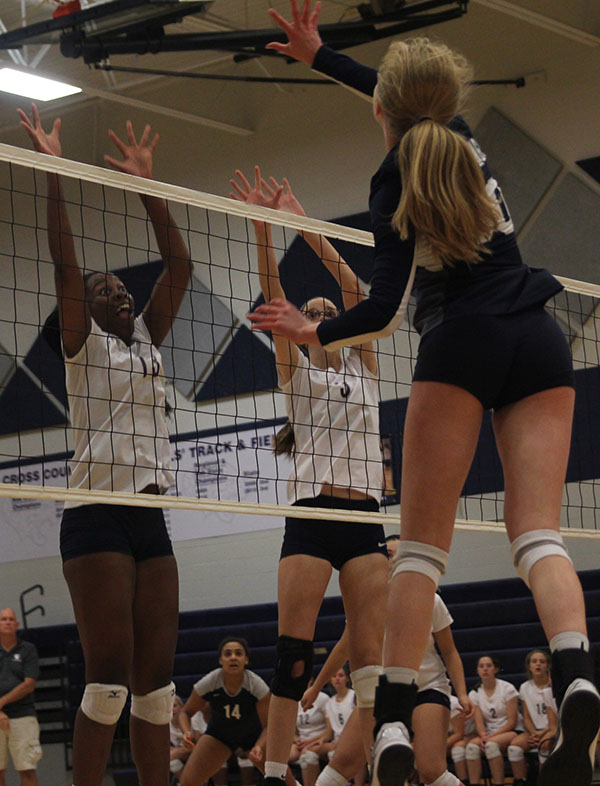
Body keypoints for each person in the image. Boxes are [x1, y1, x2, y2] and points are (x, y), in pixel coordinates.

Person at [251, 4, 600, 785]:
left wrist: (313, 336)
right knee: (540, 532)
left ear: (384, 111)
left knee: (420, 551)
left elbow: (379, 309)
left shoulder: (394, 171)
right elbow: (396, 95)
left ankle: (398, 725)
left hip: (463, 339)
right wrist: (324, 56)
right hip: (539, 334)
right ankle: (579, 671)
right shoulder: (461, 139)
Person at [19, 105, 192, 786]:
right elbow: (65, 264)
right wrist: (55, 171)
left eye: (119, 284)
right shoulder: (81, 345)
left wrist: (148, 184)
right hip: (94, 515)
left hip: (150, 514)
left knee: (156, 687)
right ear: (84, 309)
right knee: (110, 681)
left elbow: (178, 262)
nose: (115, 288)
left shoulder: (146, 336)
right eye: (102, 289)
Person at [230, 167, 389, 786]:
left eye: (329, 312)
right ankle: (274, 773)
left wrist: (306, 226)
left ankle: (382, 752)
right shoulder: (297, 375)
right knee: (293, 660)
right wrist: (266, 233)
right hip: (311, 516)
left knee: (372, 663)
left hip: (364, 516)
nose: (323, 315)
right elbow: (273, 295)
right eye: (312, 312)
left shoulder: (367, 369)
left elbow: (357, 290)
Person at [300, 538, 472, 786]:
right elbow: (344, 647)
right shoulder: (366, 603)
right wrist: (316, 688)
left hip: (426, 689)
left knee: (431, 771)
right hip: (379, 695)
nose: (394, 560)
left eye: (400, 555)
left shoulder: (430, 600)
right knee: (340, 766)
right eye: (389, 554)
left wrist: (463, 693)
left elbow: (450, 651)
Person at [178, 637, 271, 786]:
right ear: (221, 660)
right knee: (188, 783)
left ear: (246, 660)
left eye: (238, 653)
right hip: (219, 736)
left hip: (254, 738)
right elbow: (185, 712)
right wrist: (186, 732)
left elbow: (269, 725)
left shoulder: (256, 685)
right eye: (227, 654)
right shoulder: (210, 682)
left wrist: (259, 745)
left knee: (283, 779)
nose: (233, 657)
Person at [0, 608, 41, 786]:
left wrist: (1, 702)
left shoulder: (27, 649)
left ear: (17, 624)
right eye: (3, 619)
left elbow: (29, 684)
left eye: (11, 619)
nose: (7, 622)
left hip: (23, 715)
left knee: (27, 770)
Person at [464, 655, 518, 786]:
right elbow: (478, 722)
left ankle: (499, 783)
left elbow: (512, 722)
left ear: (496, 669)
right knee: (471, 747)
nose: (485, 669)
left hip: (509, 731)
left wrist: (490, 737)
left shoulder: (507, 688)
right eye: (481, 666)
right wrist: (483, 735)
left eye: (488, 666)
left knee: (491, 746)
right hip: (488, 733)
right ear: (477, 671)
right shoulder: (475, 693)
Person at [508, 649, 558, 784]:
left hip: (552, 730)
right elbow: (526, 717)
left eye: (542, 662)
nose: (538, 665)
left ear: (547, 665)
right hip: (534, 731)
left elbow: (556, 721)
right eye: (534, 662)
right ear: (529, 666)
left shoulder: (554, 687)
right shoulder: (525, 687)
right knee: (514, 747)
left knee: (545, 745)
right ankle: (521, 781)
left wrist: (542, 734)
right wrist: (533, 733)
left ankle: (544, 781)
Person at [289, 678, 329, 786]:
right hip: (302, 742)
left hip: (319, 741)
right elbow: (292, 731)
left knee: (307, 756)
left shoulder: (322, 698)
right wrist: (297, 740)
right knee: (278, 757)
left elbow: (329, 731)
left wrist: (309, 742)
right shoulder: (294, 700)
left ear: (310, 680)